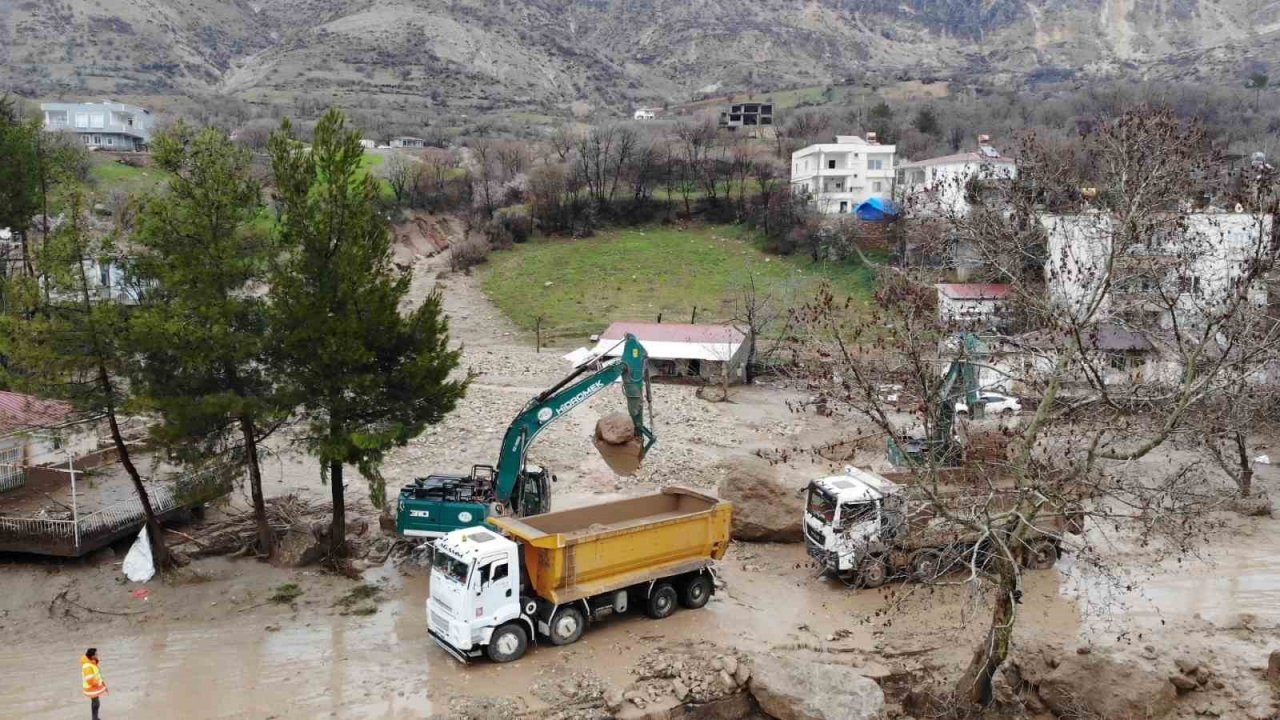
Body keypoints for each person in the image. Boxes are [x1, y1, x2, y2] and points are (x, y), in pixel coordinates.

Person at [80, 648, 107, 719]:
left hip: (93, 687)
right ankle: (95, 718)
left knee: (95, 703)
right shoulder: (87, 666)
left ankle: (95, 717)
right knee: (96, 703)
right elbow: (90, 680)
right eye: (96, 654)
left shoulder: (91, 662)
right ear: (92, 656)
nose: (98, 655)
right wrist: (99, 683)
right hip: (91, 688)